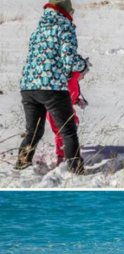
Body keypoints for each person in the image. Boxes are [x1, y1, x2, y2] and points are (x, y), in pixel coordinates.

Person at [16, 0, 88, 174]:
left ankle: (20, 166)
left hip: (28, 87)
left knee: (33, 131)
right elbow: (69, 61)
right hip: (52, 87)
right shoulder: (65, 28)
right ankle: (76, 172)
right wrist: (84, 66)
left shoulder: (38, 30)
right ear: (66, 11)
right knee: (68, 130)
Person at [46, 70, 88, 165]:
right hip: (56, 109)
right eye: (83, 74)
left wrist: (77, 100)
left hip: (63, 109)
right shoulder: (73, 78)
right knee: (61, 132)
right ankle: (62, 157)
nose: (84, 77)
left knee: (72, 126)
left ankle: (67, 151)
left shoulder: (72, 81)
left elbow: (70, 96)